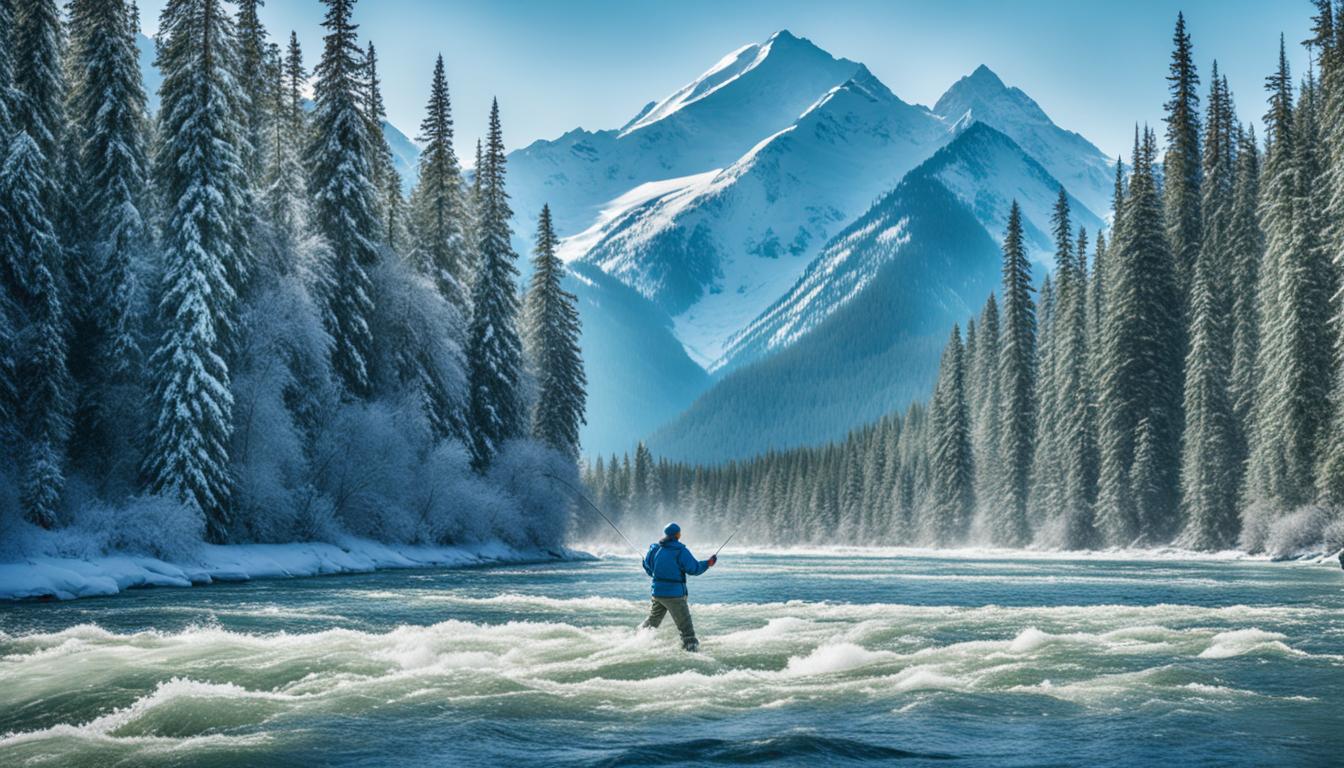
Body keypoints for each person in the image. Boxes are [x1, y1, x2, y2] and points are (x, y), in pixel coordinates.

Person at [641, 522, 716, 651]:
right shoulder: (680, 551)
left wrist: (644, 562)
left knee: (653, 621)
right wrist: (708, 563)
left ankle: (638, 638)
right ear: (677, 535)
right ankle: (691, 650)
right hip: (674, 595)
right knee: (686, 628)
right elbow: (694, 569)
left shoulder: (654, 549)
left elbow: (649, 570)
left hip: (657, 594)